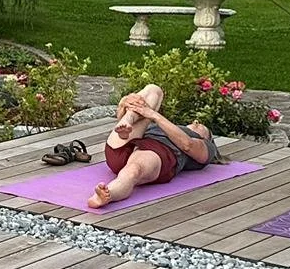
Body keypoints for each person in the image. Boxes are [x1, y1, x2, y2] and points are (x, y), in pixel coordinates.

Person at [88, 83, 221, 209]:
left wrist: (153, 114)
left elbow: (187, 145)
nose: (196, 122)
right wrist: (125, 103)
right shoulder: (162, 126)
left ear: (207, 137)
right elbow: (130, 113)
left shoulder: (206, 146)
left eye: (201, 126)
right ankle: (128, 120)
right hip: (128, 142)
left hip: (158, 150)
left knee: (133, 171)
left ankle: (107, 194)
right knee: (154, 90)